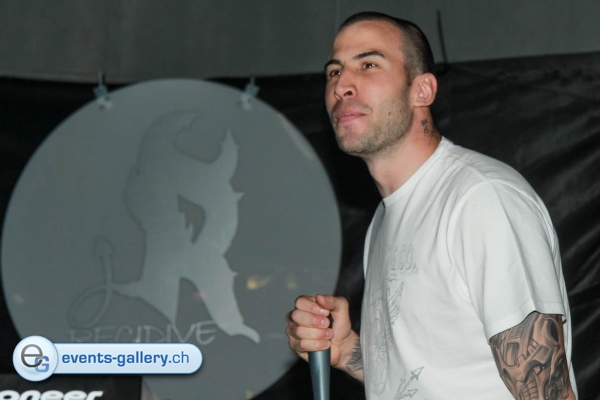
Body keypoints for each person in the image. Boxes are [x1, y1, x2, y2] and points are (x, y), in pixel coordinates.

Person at [285, 11, 578, 400]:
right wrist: (346, 350)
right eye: (334, 72)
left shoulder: (480, 198)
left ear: (422, 91)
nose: (342, 86)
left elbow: (546, 392)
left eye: (368, 65)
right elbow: (421, 378)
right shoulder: (384, 220)